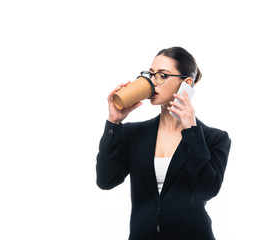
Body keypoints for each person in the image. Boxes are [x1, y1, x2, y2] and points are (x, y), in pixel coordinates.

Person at [96, 46, 231, 240]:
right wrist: (114, 123)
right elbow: (105, 181)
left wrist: (192, 131)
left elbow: (206, 191)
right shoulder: (133, 133)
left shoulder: (213, 138)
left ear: (186, 83)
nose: (152, 82)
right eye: (150, 74)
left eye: (162, 75)